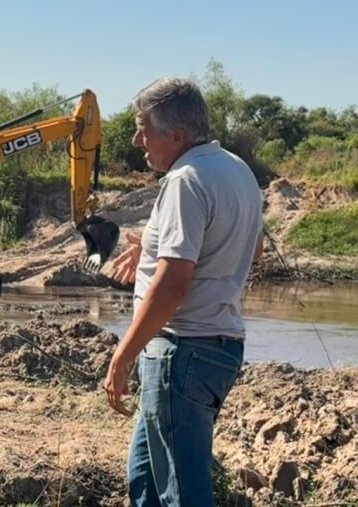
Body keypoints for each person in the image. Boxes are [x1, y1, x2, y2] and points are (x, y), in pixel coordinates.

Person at [103, 78, 264, 506]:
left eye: (144, 130)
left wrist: (123, 356)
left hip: (181, 352)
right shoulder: (236, 169)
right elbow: (255, 246)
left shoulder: (185, 179)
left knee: (182, 494)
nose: (138, 141)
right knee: (146, 482)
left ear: (176, 136)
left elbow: (173, 287)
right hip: (217, 348)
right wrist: (154, 249)